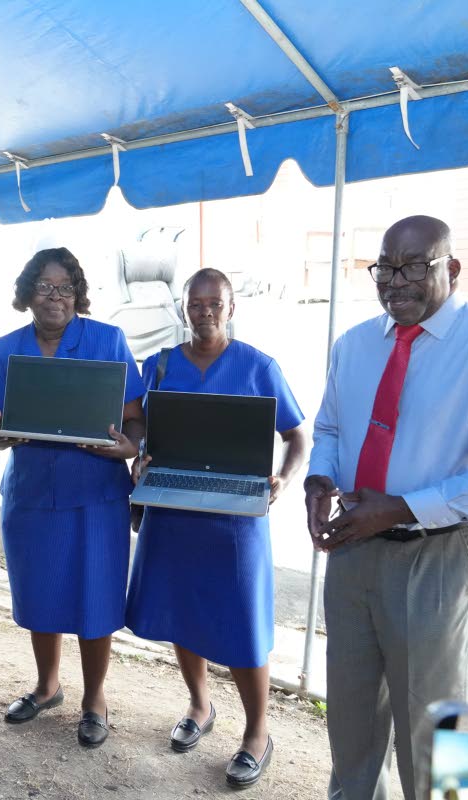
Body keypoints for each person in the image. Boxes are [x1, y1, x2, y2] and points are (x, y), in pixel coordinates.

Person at [305, 215, 468, 800]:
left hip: (439, 554)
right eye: (385, 267)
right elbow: (328, 428)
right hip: (353, 546)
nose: (394, 281)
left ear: (450, 268)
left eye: (413, 266)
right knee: (350, 718)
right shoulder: (354, 344)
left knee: (436, 722)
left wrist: (401, 508)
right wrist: (319, 477)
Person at [125, 268, 307, 788]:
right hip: (173, 508)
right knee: (184, 611)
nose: (204, 310)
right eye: (195, 302)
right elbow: (139, 426)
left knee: (244, 626)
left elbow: (298, 436)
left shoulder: (257, 366)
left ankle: (257, 732)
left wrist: (284, 481)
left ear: (231, 308)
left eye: (215, 302)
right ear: (183, 308)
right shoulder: (158, 366)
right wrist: (140, 456)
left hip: (235, 516)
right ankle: (200, 706)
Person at [0, 246, 144, 748]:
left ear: (79, 293)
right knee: (39, 592)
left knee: (96, 596)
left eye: (66, 287)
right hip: (31, 493)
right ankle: (47, 686)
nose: (56, 297)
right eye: (45, 287)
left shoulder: (107, 339)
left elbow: (135, 417)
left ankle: (94, 699)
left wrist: (130, 446)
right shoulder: (7, 348)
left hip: (95, 494)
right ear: (28, 293)